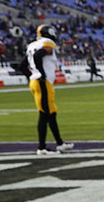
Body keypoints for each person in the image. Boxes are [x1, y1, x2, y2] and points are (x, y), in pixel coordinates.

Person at [25, 25, 73, 155]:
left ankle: (60, 143)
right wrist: (41, 74)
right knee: (44, 113)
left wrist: (31, 75)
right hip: (42, 82)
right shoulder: (47, 43)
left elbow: (22, 65)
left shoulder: (31, 45)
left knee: (51, 113)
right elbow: (38, 56)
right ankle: (42, 147)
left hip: (37, 82)